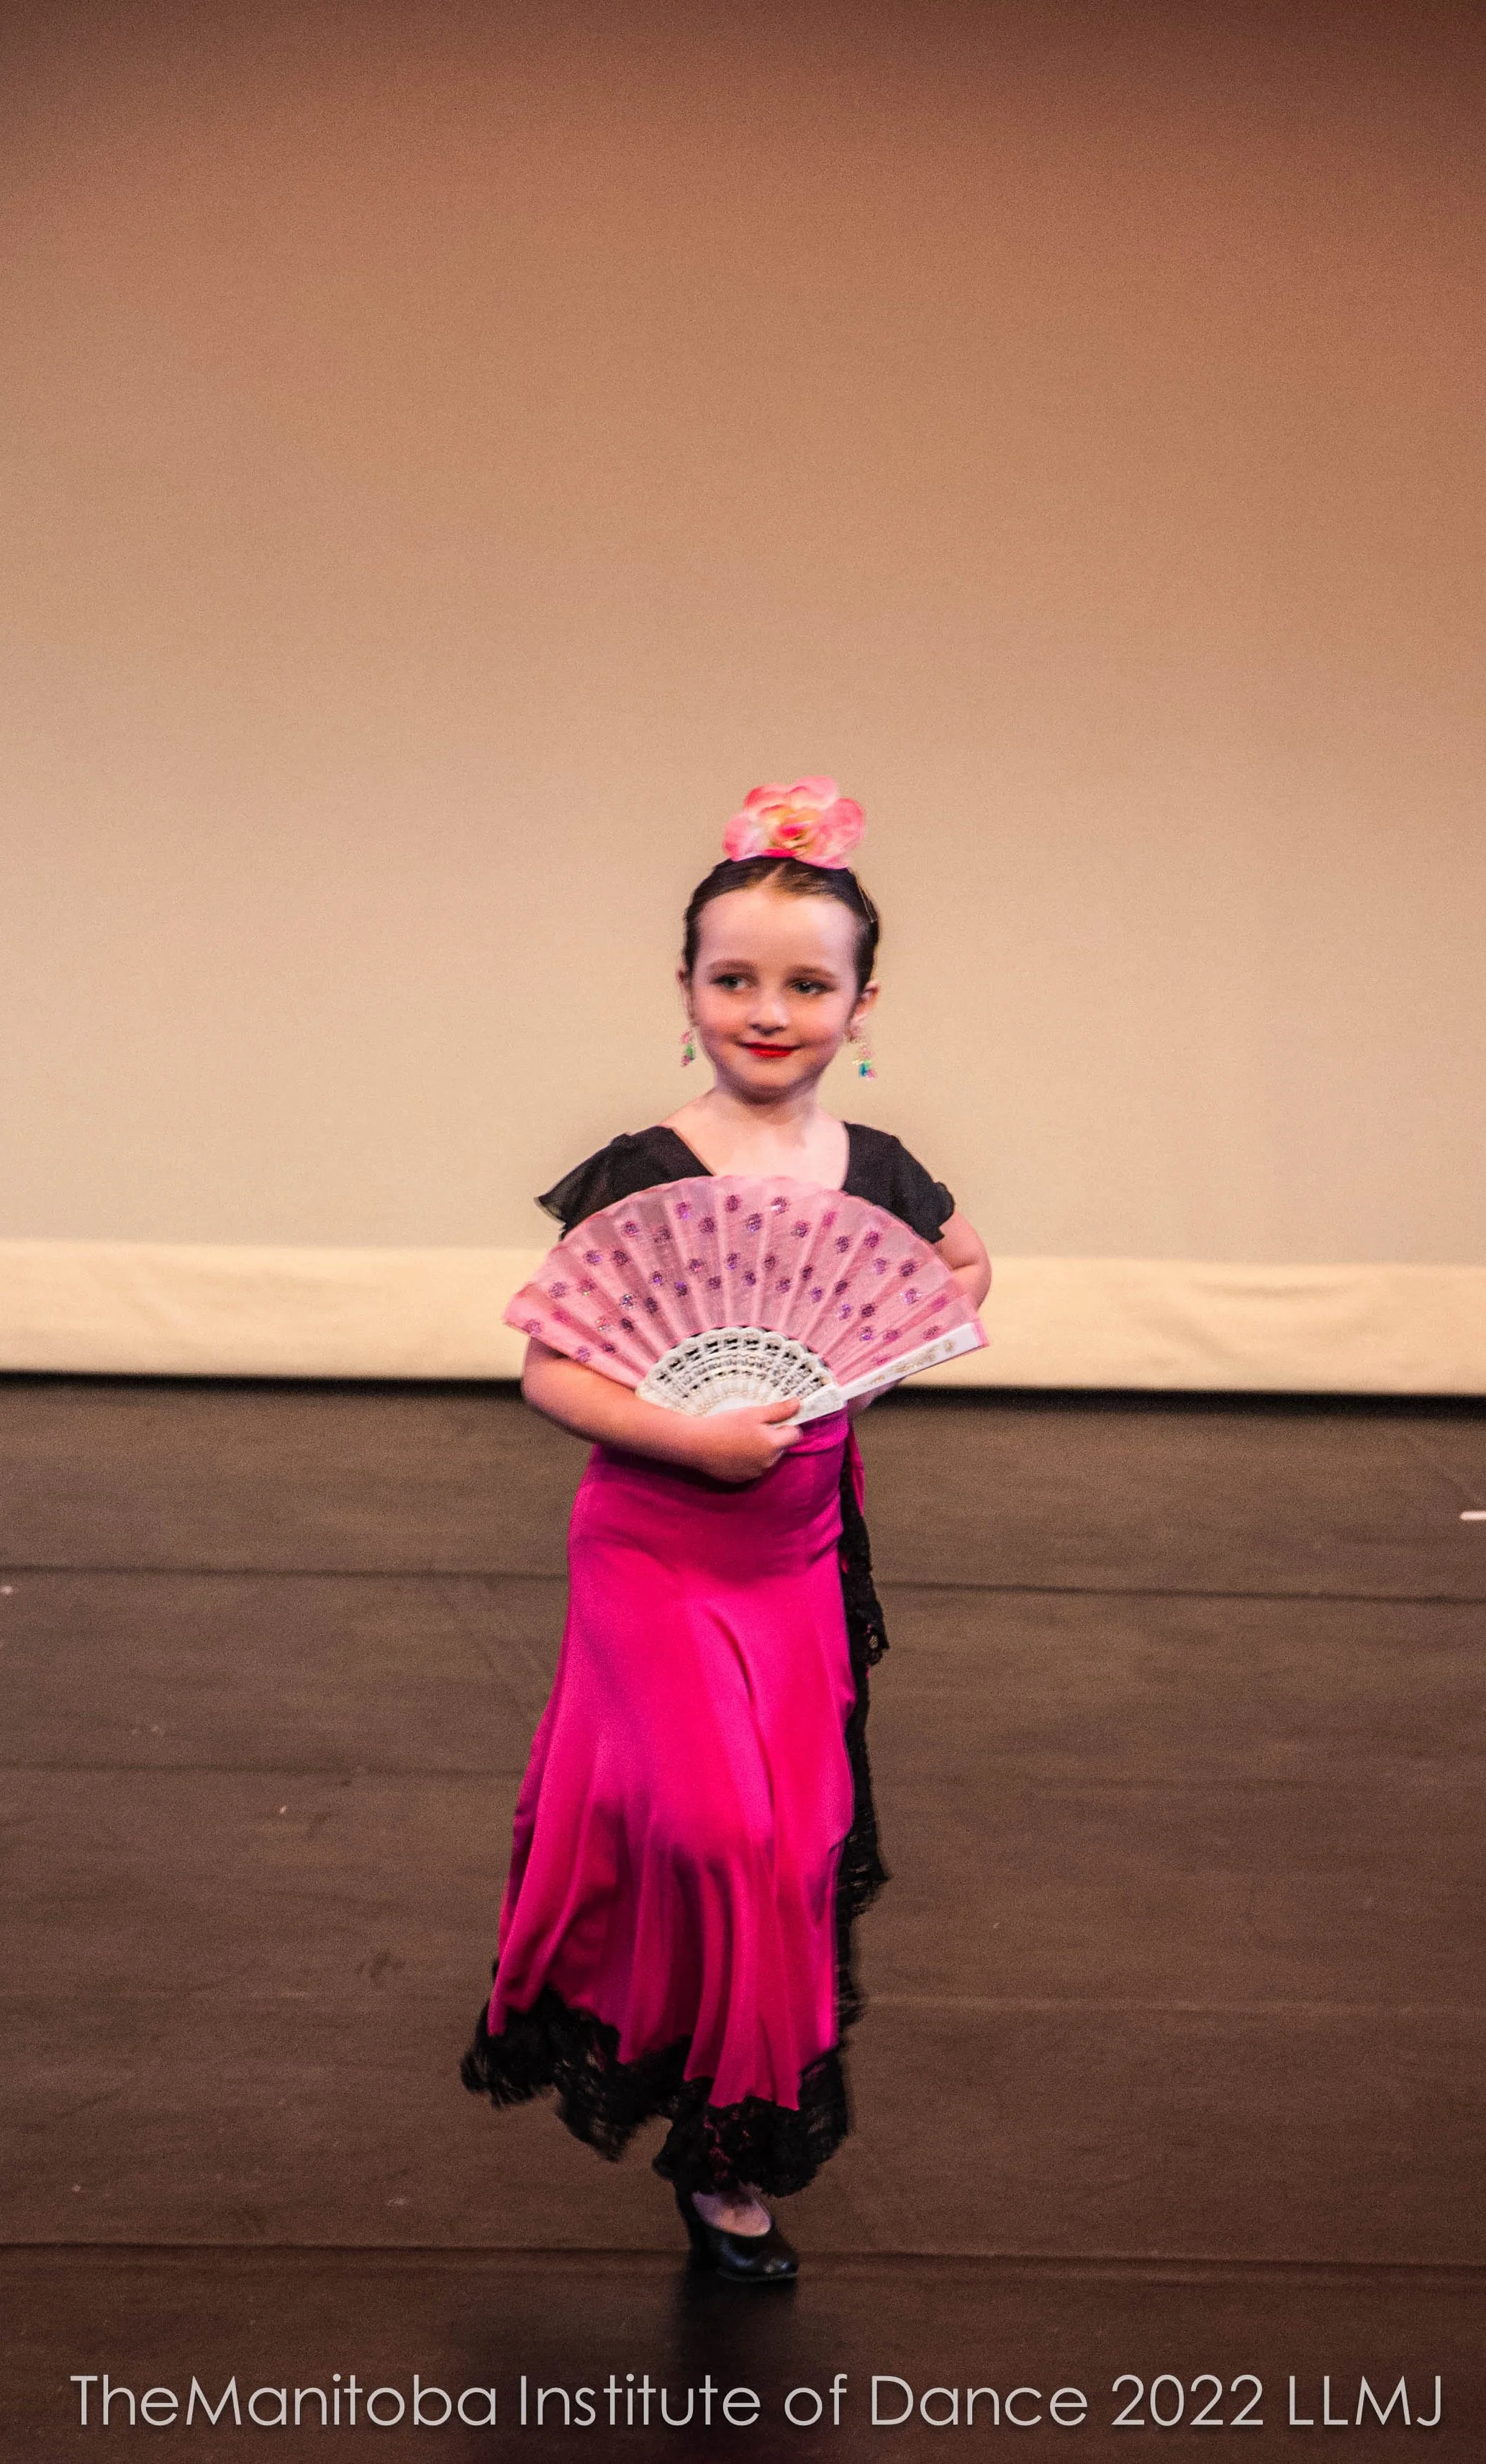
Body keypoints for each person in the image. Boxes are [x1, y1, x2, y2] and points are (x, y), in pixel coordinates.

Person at [461, 778, 991, 2283]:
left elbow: (956, 1271)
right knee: (712, 1827)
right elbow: (551, 1363)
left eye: (805, 983)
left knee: (790, 1846)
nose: (767, 1009)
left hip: (798, 1553)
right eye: (732, 978)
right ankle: (650, 2044)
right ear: (683, 987)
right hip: (651, 1540)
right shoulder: (641, 1171)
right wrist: (689, 1426)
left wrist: (872, 1347)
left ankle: (723, 2149)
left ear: (860, 1000)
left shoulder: (878, 1173)